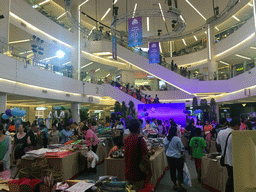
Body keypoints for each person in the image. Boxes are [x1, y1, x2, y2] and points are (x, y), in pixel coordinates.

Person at [124, 119, 150, 192]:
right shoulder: (140, 140)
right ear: (139, 128)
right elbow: (145, 158)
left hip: (128, 172)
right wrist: (150, 171)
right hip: (138, 174)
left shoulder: (126, 140)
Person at [217, 117, 241, 192]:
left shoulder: (220, 132)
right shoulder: (235, 134)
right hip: (233, 160)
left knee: (230, 177)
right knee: (232, 179)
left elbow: (218, 144)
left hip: (225, 158)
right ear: (236, 125)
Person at [164, 126, 186, 191]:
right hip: (177, 157)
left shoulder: (166, 138)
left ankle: (175, 185)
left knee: (172, 171)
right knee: (180, 171)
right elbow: (181, 148)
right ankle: (179, 185)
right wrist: (184, 156)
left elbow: (165, 148)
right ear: (175, 131)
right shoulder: (177, 138)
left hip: (169, 157)